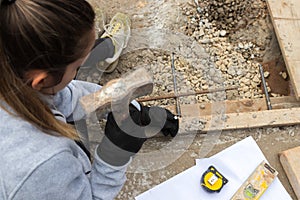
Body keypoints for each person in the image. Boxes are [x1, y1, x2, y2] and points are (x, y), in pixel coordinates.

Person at [0, 0, 179, 200]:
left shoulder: (11, 69)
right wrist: (113, 157)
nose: (77, 73)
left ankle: (102, 52)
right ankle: (105, 51)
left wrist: (120, 101)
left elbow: (61, 96)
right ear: (41, 80)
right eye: (77, 67)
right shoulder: (42, 166)